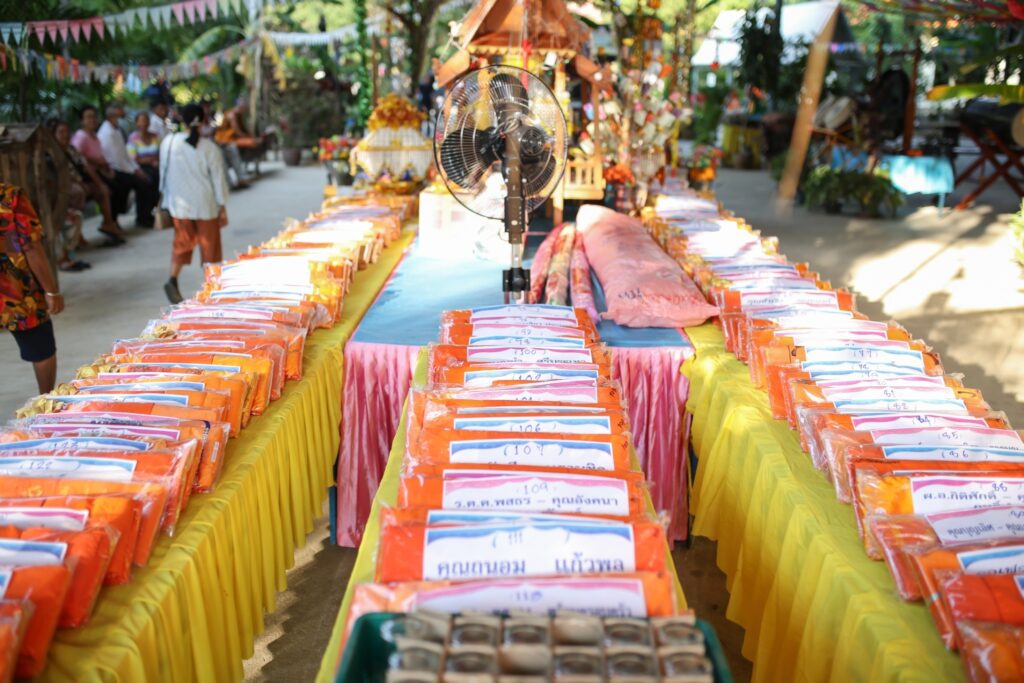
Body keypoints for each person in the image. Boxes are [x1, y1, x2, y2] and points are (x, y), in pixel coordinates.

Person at [159, 103, 229, 304]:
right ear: (203, 120)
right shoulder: (209, 148)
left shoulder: (169, 143)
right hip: (205, 204)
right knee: (210, 249)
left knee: (182, 244)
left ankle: (172, 279)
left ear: (182, 119)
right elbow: (218, 179)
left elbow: (163, 173)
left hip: (180, 206)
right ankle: (211, 288)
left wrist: (166, 200)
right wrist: (222, 205)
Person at [0, 183, 64, 393]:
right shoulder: (10, 197)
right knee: (41, 348)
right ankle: (44, 402)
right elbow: (30, 246)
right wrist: (52, 291)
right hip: (15, 291)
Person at [71, 105, 128, 243]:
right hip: (87, 176)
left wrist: (104, 166)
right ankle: (109, 223)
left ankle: (111, 222)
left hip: (98, 172)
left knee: (121, 183)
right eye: (88, 117)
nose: (92, 120)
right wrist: (97, 166)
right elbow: (78, 159)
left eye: (94, 117)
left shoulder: (95, 136)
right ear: (82, 120)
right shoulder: (81, 136)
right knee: (107, 189)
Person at [98, 104, 158, 228]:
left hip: (125, 167)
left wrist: (135, 169)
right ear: (112, 117)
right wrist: (135, 170)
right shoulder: (107, 133)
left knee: (147, 180)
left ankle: (145, 216)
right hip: (115, 170)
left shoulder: (116, 130)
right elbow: (118, 159)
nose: (121, 117)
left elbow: (124, 156)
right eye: (119, 115)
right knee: (140, 182)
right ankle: (114, 220)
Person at [202, 99, 250, 188]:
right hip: (212, 145)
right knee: (222, 156)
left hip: (219, 143)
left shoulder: (210, 117)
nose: (208, 109)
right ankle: (229, 183)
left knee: (232, 150)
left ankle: (241, 179)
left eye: (208, 107)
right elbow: (236, 130)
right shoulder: (231, 115)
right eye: (206, 107)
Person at [128, 111, 161, 190]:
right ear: (137, 123)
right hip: (141, 170)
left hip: (156, 169)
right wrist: (151, 161)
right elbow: (133, 158)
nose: (144, 123)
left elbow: (160, 153)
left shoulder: (155, 136)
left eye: (146, 121)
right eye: (141, 121)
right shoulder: (133, 138)